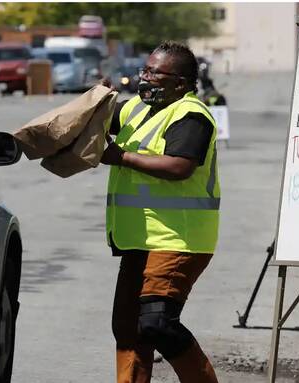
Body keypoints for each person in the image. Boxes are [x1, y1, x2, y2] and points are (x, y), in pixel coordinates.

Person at [100, 41, 220, 383]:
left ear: (180, 83)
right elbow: (103, 119)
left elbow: (180, 166)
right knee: (128, 326)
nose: (145, 78)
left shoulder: (191, 115)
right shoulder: (137, 108)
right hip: (140, 236)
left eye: (155, 72)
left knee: (157, 324)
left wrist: (121, 157)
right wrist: (97, 101)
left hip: (178, 238)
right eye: (145, 70)